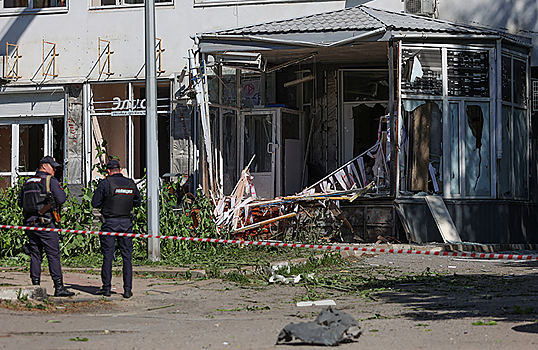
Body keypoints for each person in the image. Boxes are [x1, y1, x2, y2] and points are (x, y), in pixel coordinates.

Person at [17, 156, 74, 297]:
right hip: (46, 224)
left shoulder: (27, 182)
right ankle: (59, 287)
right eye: (52, 167)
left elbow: (20, 202)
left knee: (35, 255)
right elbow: (62, 199)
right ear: (44, 166)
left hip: (30, 224)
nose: (54, 170)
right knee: (53, 255)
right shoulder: (49, 181)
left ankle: (35, 286)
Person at [91, 159, 141, 298]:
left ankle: (106, 288)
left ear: (108, 171)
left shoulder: (106, 183)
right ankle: (127, 290)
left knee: (107, 256)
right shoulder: (131, 183)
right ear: (120, 170)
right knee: (127, 257)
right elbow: (138, 202)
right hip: (126, 223)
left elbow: (95, 202)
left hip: (110, 223)